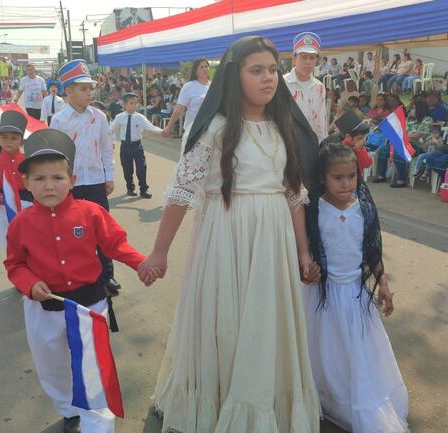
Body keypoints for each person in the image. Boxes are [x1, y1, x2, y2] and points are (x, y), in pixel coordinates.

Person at [138, 36, 321, 433]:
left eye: (273, 70)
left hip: (273, 242)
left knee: (265, 325)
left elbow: (293, 195)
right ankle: (224, 406)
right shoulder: (215, 128)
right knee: (230, 325)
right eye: (256, 70)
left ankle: (263, 406)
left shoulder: (283, 125)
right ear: (233, 77)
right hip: (227, 238)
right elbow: (181, 191)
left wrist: (304, 254)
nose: (268, 78)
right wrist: (159, 252)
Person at [4, 128, 145, 433]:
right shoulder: (20, 224)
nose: (49, 185)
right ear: (26, 183)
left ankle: (97, 424)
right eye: (39, 179)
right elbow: (14, 264)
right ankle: (69, 410)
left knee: (93, 370)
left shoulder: (91, 213)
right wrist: (29, 283)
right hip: (44, 309)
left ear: (73, 181)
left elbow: (116, 245)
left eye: (57, 178)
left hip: (88, 307)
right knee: (51, 367)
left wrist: (141, 264)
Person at [303, 141, 408, 433]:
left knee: (356, 354)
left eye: (352, 176)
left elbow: (372, 251)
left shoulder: (364, 210)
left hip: (354, 296)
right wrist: (308, 266)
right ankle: (325, 396)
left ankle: (354, 400)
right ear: (322, 177)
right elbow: (306, 247)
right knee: (323, 351)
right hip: (320, 297)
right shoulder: (313, 209)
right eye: (338, 177)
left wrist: (383, 284)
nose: (346, 183)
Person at [50, 60, 121, 296]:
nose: (89, 93)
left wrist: (108, 176)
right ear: (67, 91)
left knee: (102, 230)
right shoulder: (59, 120)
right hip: (71, 186)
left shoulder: (99, 117)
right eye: (83, 89)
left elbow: (106, 148)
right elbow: (56, 156)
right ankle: (76, 276)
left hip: (95, 182)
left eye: (90, 88)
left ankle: (106, 275)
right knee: (73, 231)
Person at [0, 110, 33, 249]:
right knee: (8, 236)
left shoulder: (27, 161)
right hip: (5, 203)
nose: (8, 141)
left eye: (14, 138)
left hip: (28, 202)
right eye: (4, 137)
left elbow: (36, 180)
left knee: (30, 235)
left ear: (22, 141)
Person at [110, 92, 162, 198]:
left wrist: (163, 131)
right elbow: (110, 131)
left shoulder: (140, 117)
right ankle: (130, 188)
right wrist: (112, 142)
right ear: (124, 105)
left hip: (137, 146)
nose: (134, 106)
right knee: (127, 169)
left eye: (135, 103)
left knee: (141, 168)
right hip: (125, 146)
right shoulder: (119, 117)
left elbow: (151, 127)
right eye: (131, 103)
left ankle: (144, 190)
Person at [283, 32, 328, 143]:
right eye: (303, 57)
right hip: (287, 144)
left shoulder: (319, 87)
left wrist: (323, 147)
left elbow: (321, 121)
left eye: (312, 58)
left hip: (310, 145)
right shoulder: (282, 83)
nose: (308, 62)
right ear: (294, 58)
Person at [162, 58, 210, 138]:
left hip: (208, 129)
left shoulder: (212, 86)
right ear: (195, 71)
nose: (205, 69)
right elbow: (178, 109)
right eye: (201, 67)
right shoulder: (189, 86)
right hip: (192, 129)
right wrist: (169, 127)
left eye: (206, 66)